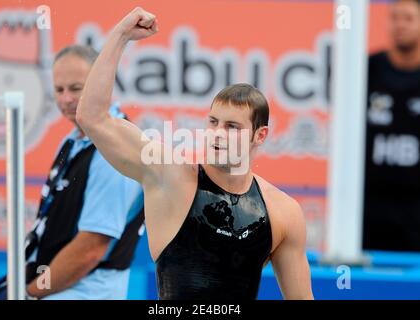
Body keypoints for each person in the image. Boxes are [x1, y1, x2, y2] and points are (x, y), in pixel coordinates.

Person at [76, 7, 313, 300]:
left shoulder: (284, 213)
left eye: (232, 127)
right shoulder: (169, 176)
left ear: (259, 135)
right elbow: (93, 118)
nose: (218, 133)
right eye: (213, 122)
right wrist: (121, 34)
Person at [23, 45, 144, 300]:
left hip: (84, 292)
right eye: (59, 89)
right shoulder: (73, 140)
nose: (66, 98)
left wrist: (29, 293)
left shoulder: (114, 148)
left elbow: (90, 250)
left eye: (76, 88)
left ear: (102, 84)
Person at [363, 0, 420, 252]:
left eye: (408, 18)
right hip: (370, 204)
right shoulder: (367, 69)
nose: (400, 25)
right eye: (395, 18)